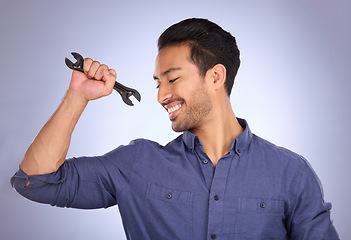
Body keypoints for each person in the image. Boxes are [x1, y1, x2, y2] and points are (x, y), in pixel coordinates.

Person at [11, 18, 339, 239]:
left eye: (172, 78)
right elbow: (35, 182)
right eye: (157, 83)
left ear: (215, 77)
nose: (161, 95)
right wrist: (77, 96)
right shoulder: (136, 164)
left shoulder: (291, 173)